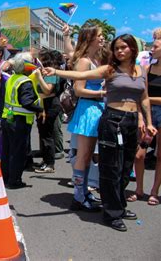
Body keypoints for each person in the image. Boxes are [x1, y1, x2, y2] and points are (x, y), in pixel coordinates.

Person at [44, 34, 158, 232]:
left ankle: (119, 206)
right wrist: (56, 71)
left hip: (131, 122)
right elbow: (81, 77)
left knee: (125, 167)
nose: (120, 51)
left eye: (124, 47)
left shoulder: (141, 70)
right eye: (117, 48)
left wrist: (147, 122)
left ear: (133, 48)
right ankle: (111, 212)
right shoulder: (109, 69)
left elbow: (145, 98)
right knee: (111, 168)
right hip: (113, 120)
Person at [60, 24, 107, 212]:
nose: (103, 38)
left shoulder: (96, 58)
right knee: (84, 155)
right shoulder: (85, 62)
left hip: (96, 108)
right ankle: (79, 196)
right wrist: (103, 93)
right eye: (100, 36)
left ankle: (84, 192)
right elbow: (79, 90)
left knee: (88, 156)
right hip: (88, 109)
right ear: (90, 39)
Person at [1, 52, 44, 188]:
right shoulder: (25, 81)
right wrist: (40, 109)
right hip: (20, 121)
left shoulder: (12, 78)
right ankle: (14, 181)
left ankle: (5, 178)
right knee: (18, 152)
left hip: (7, 118)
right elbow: (27, 102)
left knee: (7, 151)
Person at [130, 28, 161, 206]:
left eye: (155, 44)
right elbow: (141, 95)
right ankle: (139, 189)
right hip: (148, 113)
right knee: (139, 154)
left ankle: (154, 191)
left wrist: (148, 99)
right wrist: (142, 117)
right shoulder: (148, 68)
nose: (152, 48)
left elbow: (145, 97)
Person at [33, 50, 63, 173]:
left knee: (47, 135)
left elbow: (47, 90)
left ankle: (50, 164)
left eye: (41, 59)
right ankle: (46, 160)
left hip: (50, 105)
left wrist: (39, 77)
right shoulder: (46, 72)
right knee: (43, 133)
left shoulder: (52, 73)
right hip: (43, 105)